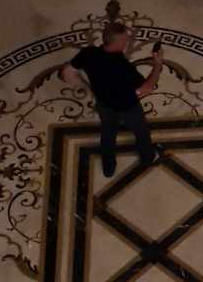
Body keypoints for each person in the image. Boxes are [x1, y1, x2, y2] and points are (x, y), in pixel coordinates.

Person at [63, 22, 164, 178]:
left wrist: (88, 88)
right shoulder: (124, 69)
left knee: (108, 133)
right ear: (117, 42)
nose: (128, 41)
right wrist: (157, 65)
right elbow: (147, 88)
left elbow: (68, 73)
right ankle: (147, 157)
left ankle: (108, 167)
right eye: (125, 39)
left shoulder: (88, 53)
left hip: (104, 104)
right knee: (141, 131)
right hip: (128, 107)